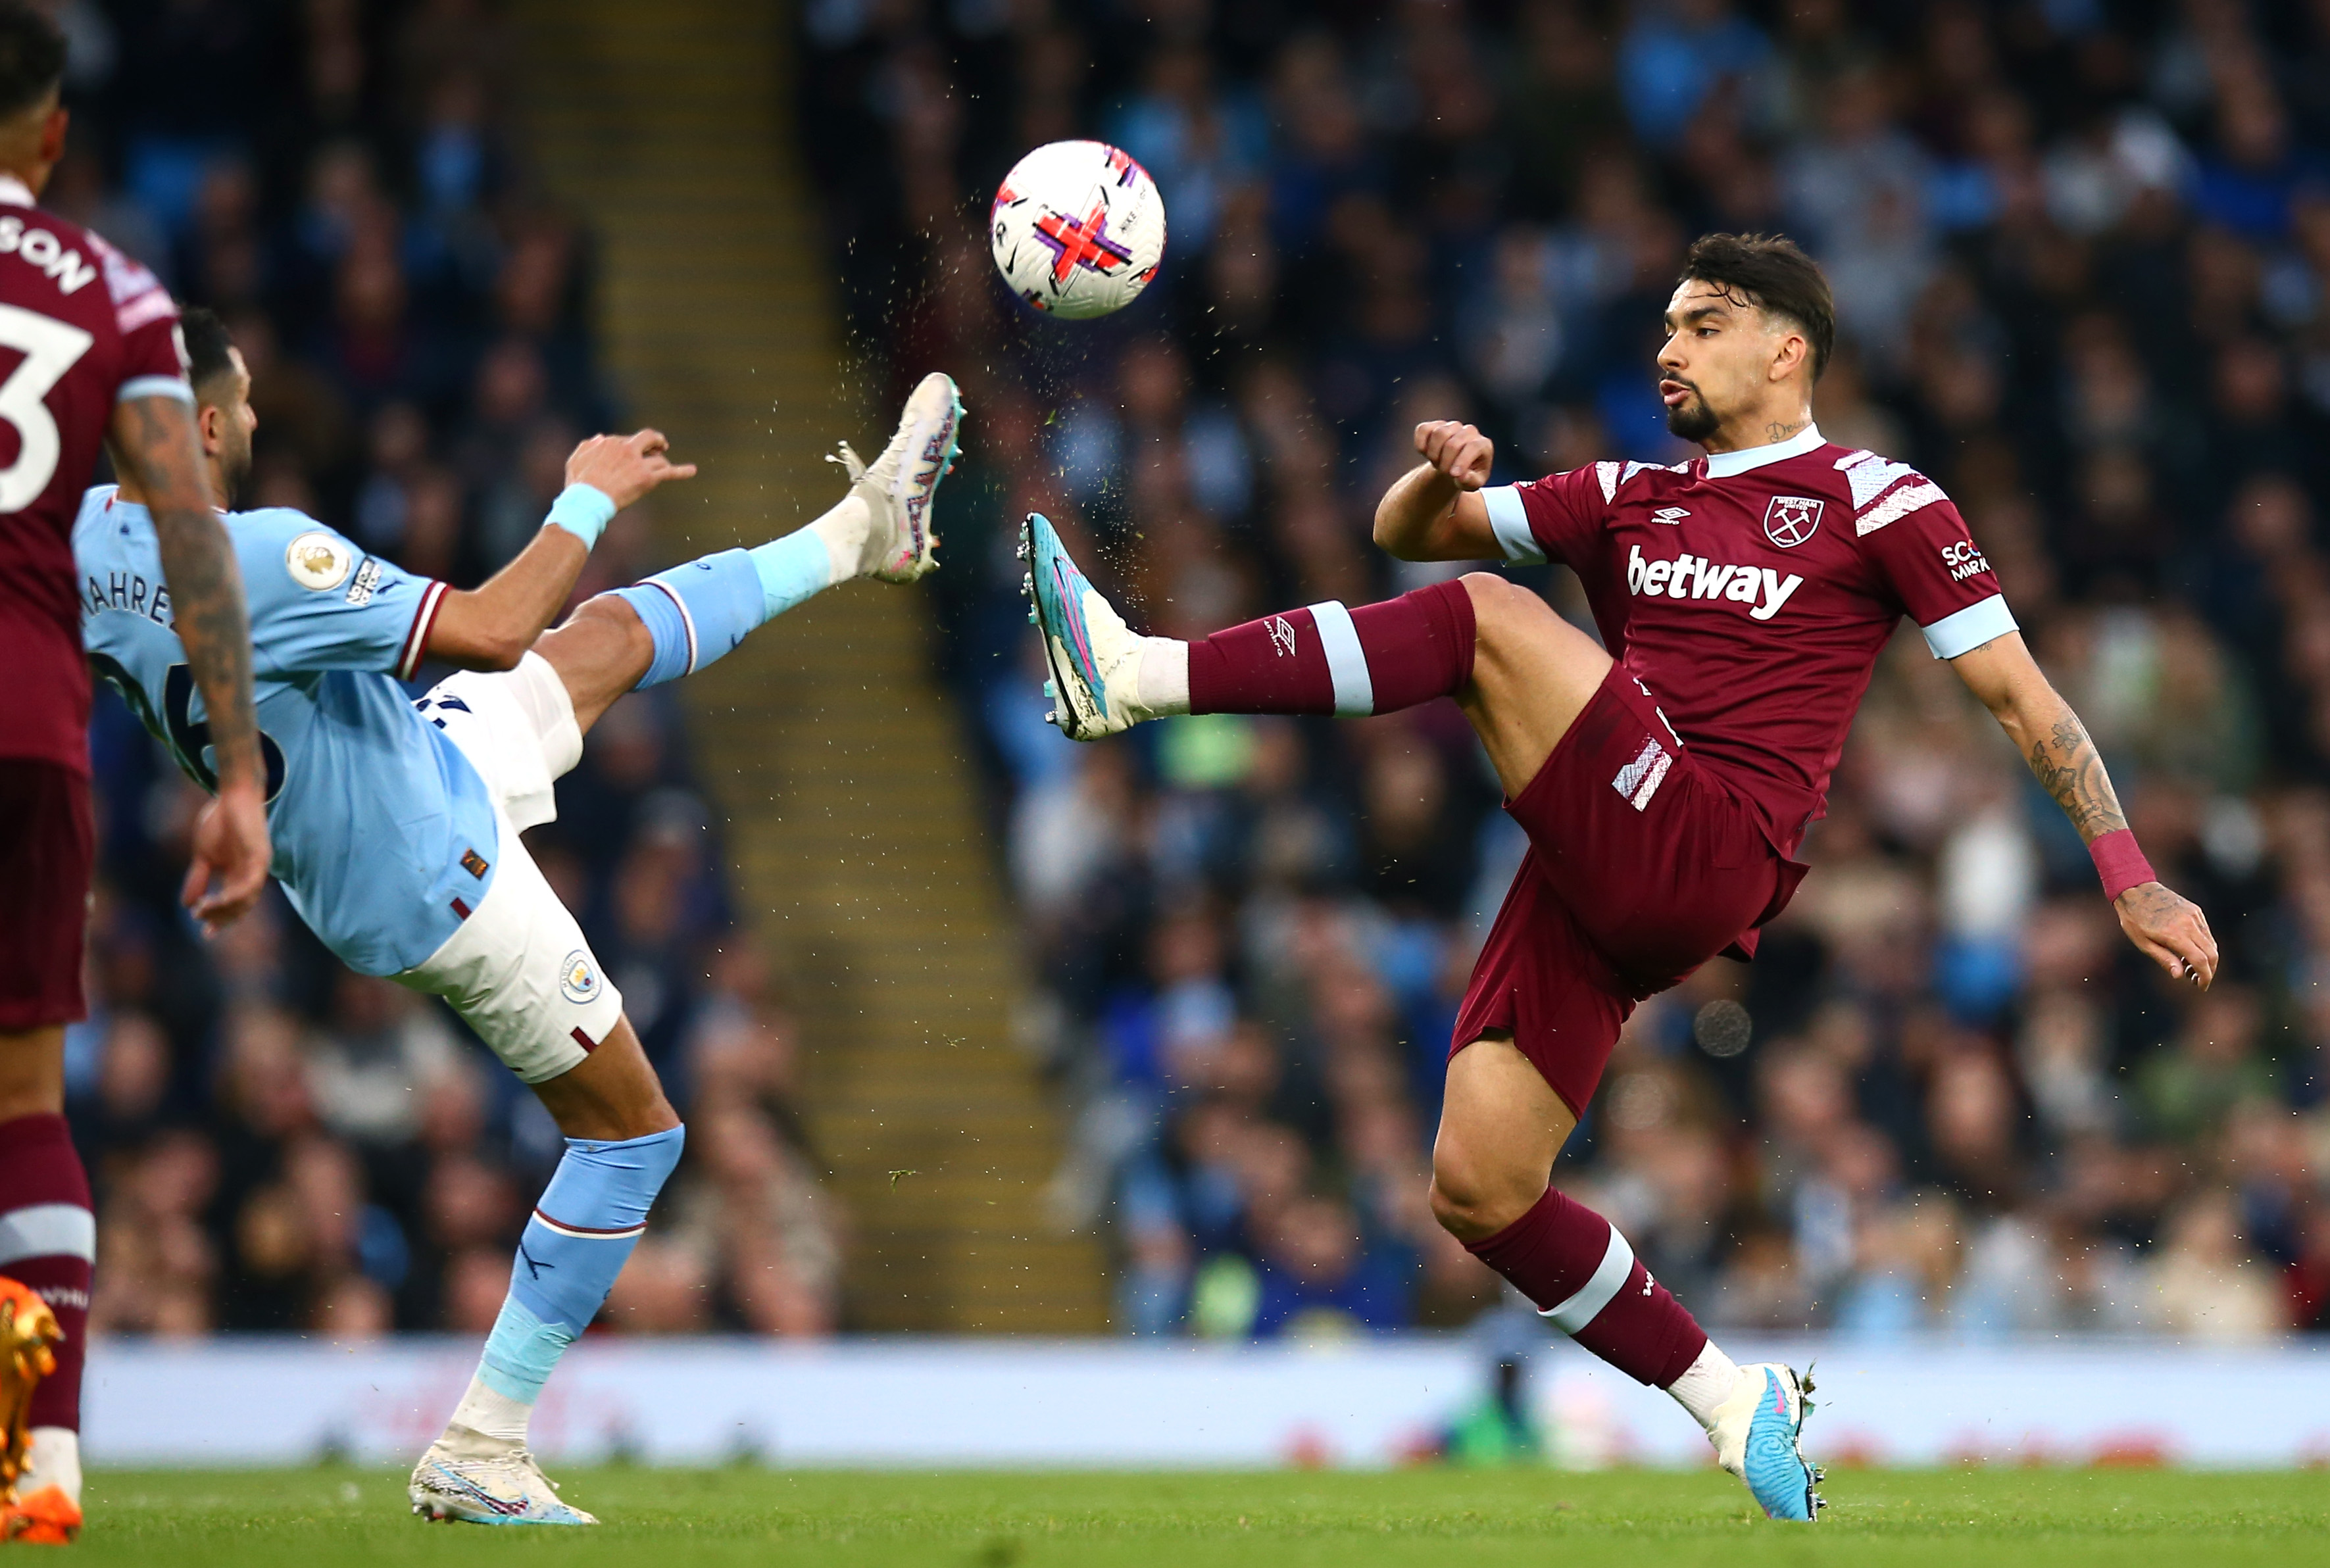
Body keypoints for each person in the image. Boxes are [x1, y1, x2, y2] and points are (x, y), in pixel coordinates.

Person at [1023, 233, 2215, 1523]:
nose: (1667, 348)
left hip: (1712, 840)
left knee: (1489, 621)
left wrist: (2127, 874)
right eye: (1663, 326)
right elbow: (1403, 535)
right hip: (1598, 868)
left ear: (1784, 347)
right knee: (1478, 1188)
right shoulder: (1624, 496)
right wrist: (1444, 482)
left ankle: (1136, 674)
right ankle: (1725, 1398)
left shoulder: (1881, 499)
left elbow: (2023, 703)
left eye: (1700, 324)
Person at [73, 307, 960, 1525]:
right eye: (247, 403)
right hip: (429, 870)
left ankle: (861, 536)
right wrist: (584, 499)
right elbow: (490, 625)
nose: (263, 422)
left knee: (598, 643)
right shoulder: (258, 555)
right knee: (633, 1139)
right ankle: (482, 1445)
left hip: (389, 791)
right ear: (207, 423)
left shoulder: (78, 548)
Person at [0, 7, 266, 1544]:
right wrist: (235, 769)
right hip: (31, 728)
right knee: (23, 1095)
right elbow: (187, 531)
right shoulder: (118, 292)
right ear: (51, 135)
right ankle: (44, 1459)